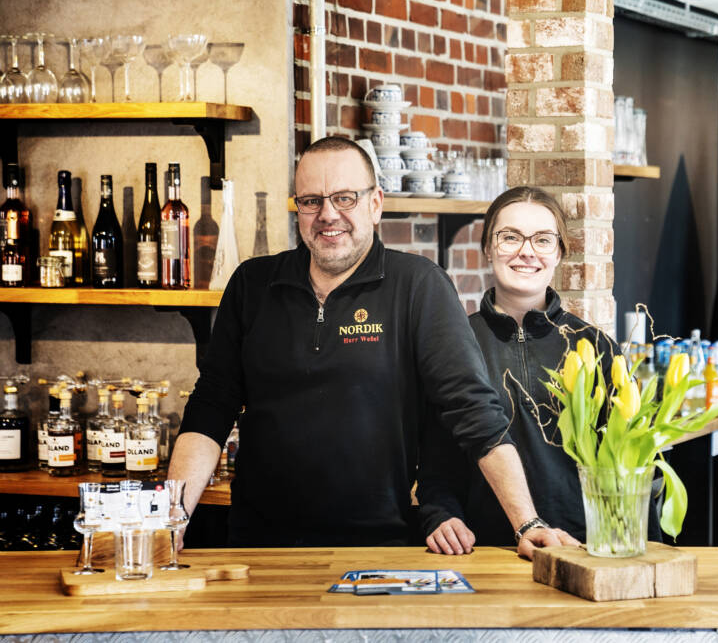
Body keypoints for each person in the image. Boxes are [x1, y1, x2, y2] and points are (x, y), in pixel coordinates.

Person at [168, 137, 576, 557]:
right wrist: (172, 518)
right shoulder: (252, 285)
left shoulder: (418, 285)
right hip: (258, 546)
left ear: (375, 204)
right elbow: (210, 408)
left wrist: (527, 523)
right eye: (311, 201)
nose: (328, 215)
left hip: (376, 547)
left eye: (345, 198)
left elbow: (474, 411)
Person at [419, 187, 663, 554]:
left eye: (543, 240)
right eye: (510, 237)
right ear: (488, 248)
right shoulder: (457, 343)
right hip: (486, 553)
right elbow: (435, 460)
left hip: (581, 549)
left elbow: (635, 465)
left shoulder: (595, 347)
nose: (526, 251)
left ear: (560, 253)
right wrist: (440, 516)